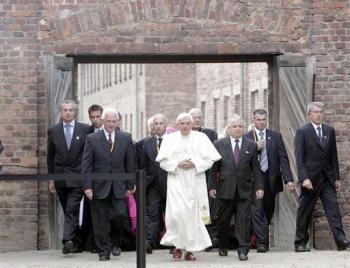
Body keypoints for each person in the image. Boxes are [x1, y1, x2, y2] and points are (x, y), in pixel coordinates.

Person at [156, 113, 221, 261]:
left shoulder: (201, 138)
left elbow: (211, 160)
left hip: (194, 180)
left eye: (188, 123)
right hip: (176, 180)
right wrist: (176, 164)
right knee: (177, 214)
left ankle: (190, 250)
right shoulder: (169, 139)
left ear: (192, 125)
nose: (185, 126)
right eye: (182, 123)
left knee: (192, 216)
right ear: (178, 125)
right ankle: (178, 246)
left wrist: (194, 164)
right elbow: (163, 162)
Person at [294, 102, 349, 252]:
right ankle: (300, 242)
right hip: (310, 180)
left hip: (327, 178)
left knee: (333, 210)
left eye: (320, 112)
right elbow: (299, 158)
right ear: (309, 114)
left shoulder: (329, 130)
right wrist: (304, 178)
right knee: (304, 211)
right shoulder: (302, 131)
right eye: (315, 112)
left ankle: (341, 240)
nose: (318, 114)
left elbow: (333, 156)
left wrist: (336, 177)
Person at [81, 108, 135, 261]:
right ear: (103, 122)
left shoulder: (125, 137)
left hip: (119, 186)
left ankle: (116, 243)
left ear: (118, 122)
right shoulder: (92, 138)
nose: (111, 124)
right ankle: (103, 251)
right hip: (98, 187)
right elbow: (86, 165)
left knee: (119, 215)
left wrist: (130, 185)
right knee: (99, 220)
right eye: (108, 121)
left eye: (114, 121)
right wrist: (87, 186)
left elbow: (130, 163)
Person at [209, 116, 264, 261]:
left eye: (240, 126)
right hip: (225, 188)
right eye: (235, 126)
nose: (238, 129)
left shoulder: (251, 145)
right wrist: (212, 186)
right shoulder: (219, 144)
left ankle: (243, 249)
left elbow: (256, 168)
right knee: (223, 220)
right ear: (229, 129)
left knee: (243, 221)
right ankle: (222, 245)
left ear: (244, 129)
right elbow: (214, 168)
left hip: (244, 189)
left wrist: (259, 187)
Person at [244, 109, 294, 252]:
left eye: (264, 120)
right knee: (257, 209)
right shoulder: (247, 137)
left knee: (267, 210)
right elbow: (244, 160)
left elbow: (283, 159)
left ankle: (258, 237)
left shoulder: (275, 136)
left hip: (271, 179)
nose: (261, 122)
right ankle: (262, 243)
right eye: (259, 120)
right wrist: (255, 147)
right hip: (254, 180)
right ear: (253, 120)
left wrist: (289, 180)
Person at [47, 100, 91, 254]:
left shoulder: (85, 129)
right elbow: (50, 157)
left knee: (72, 208)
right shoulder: (53, 131)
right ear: (61, 112)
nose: (67, 112)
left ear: (75, 112)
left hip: (78, 176)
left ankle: (67, 240)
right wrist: (51, 179)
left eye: (70, 110)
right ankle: (76, 242)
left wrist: (87, 179)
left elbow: (88, 156)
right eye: (64, 110)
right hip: (60, 178)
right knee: (67, 209)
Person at [188, 108, 219, 249]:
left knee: (208, 207)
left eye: (199, 117)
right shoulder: (184, 134)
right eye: (194, 117)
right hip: (188, 176)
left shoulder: (210, 134)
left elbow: (213, 154)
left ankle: (209, 239)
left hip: (206, 175)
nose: (197, 120)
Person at [140, 114, 168, 254]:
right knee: (152, 214)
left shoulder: (173, 141)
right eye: (155, 123)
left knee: (170, 214)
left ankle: (173, 243)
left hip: (170, 184)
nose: (158, 126)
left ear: (166, 124)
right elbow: (142, 164)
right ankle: (150, 242)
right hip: (152, 185)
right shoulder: (147, 143)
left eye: (161, 123)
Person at [79, 104, 104, 253]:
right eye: (92, 117)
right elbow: (84, 159)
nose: (95, 120)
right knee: (91, 213)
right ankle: (93, 244)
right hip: (92, 179)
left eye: (98, 116)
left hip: (110, 179)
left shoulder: (115, 132)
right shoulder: (86, 134)